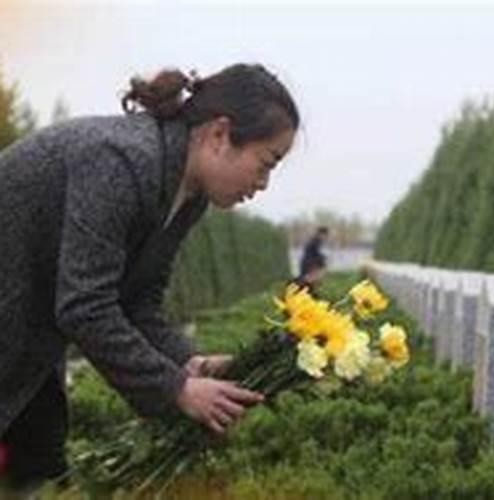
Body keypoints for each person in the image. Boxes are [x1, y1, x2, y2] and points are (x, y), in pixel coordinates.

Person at [0, 63, 300, 491]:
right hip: (15, 312)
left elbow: (137, 301)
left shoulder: (188, 194)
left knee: (39, 461)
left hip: (29, 329)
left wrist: (189, 363)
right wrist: (176, 388)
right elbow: (85, 305)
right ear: (219, 134)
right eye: (266, 163)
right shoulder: (121, 160)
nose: (264, 183)